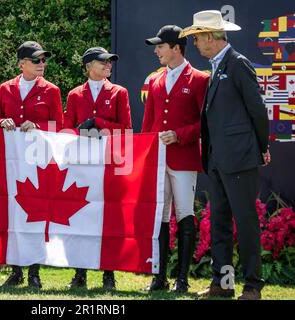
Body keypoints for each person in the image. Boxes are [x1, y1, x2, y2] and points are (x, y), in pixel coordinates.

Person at [179, 10, 270, 300]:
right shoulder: (217, 66)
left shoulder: (238, 63)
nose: (194, 43)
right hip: (217, 158)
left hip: (240, 157)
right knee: (219, 221)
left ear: (209, 36)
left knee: (245, 223)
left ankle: (253, 286)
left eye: (196, 37)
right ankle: (224, 284)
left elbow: (256, 109)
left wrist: (262, 146)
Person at [141, 25, 209, 293]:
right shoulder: (155, 81)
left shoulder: (199, 79)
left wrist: (179, 135)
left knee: (184, 214)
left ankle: (182, 278)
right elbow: (148, 125)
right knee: (160, 216)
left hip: (184, 158)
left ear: (176, 48)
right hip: (158, 160)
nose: (156, 50)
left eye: (160, 46)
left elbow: (205, 122)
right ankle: (159, 277)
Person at [0, 41, 64, 289]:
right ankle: (15, 270)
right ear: (21, 64)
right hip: (11, 162)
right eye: (36, 60)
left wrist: (38, 127)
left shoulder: (52, 90)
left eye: (44, 60)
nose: (42, 64)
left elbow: (59, 127)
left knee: (35, 212)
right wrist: (3, 122)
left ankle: (34, 271)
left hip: (38, 161)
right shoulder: (6, 88)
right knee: (13, 212)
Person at [64, 47, 132, 289]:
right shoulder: (74, 95)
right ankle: (80, 273)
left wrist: (99, 124)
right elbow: (66, 129)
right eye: (103, 62)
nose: (108, 66)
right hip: (82, 164)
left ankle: (108, 274)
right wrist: (80, 131)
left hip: (108, 164)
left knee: (110, 217)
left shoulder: (119, 93)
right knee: (81, 216)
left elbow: (125, 128)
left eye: (110, 62)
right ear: (89, 66)